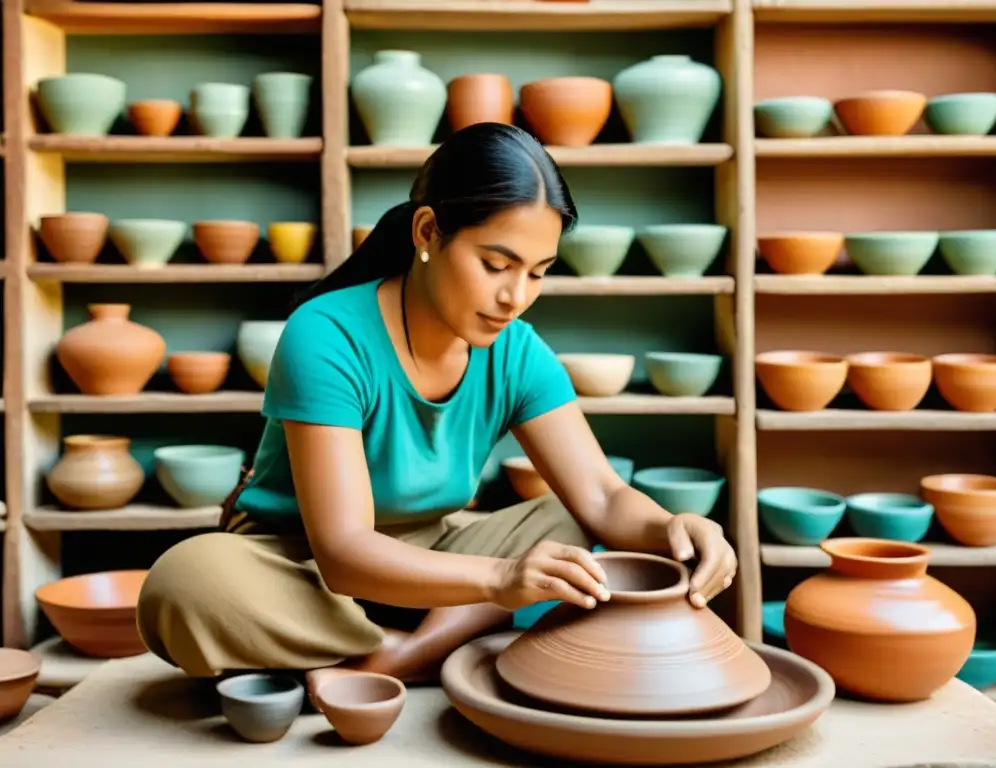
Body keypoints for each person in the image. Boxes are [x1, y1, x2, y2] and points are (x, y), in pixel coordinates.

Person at [136, 122, 738, 689]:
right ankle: (427, 646)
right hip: (301, 565)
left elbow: (603, 497)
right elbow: (343, 552)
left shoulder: (515, 350)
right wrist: (500, 581)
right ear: (427, 232)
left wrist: (671, 526)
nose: (515, 298)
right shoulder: (325, 334)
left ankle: (393, 656)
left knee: (567, 522)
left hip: (434, 558)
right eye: (496, 264)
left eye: (537, 273)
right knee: (184, 584)